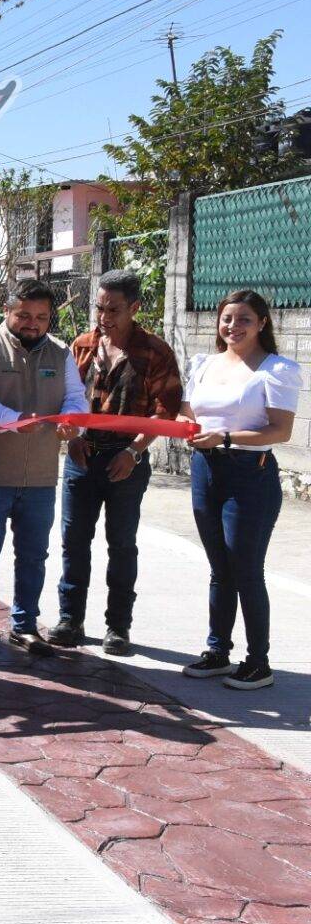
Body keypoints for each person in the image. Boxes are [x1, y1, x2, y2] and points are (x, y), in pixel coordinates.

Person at [49, 270, 183, 656]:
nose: (104, 317)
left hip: (127, 460)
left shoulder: (155, 352)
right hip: (82, 457)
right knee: (74, 541)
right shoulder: (82, 346)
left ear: (134, 307)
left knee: (122, 544)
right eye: (99, 308)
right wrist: (73, 438)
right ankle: (70, 619)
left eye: (114, 310)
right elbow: (64, 400)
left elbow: (165, 410)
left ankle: (118, 626)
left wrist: (134, 451)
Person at [0, 279, 87, 663]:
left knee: (34, 556)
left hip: (40, 477)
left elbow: (76, 398)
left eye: (41, 317)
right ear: (7, 311)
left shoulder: (61, 353)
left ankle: (24, 626)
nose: (33, 323)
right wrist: (15, 421)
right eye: (24, 315)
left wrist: (72, 421)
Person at [178, 289, 300, 691]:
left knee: (246, 570)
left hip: (250, 475)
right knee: (220, 569)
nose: (233, 326)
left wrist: (225, 438)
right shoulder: (204, 364)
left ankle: (258, 663)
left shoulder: (276, 369)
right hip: (205, 471)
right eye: (227, 318)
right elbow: (189, 413)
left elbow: (280, 431)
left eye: (244, 319)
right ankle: (217, 652)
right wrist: (183, 426)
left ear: (262, 323)